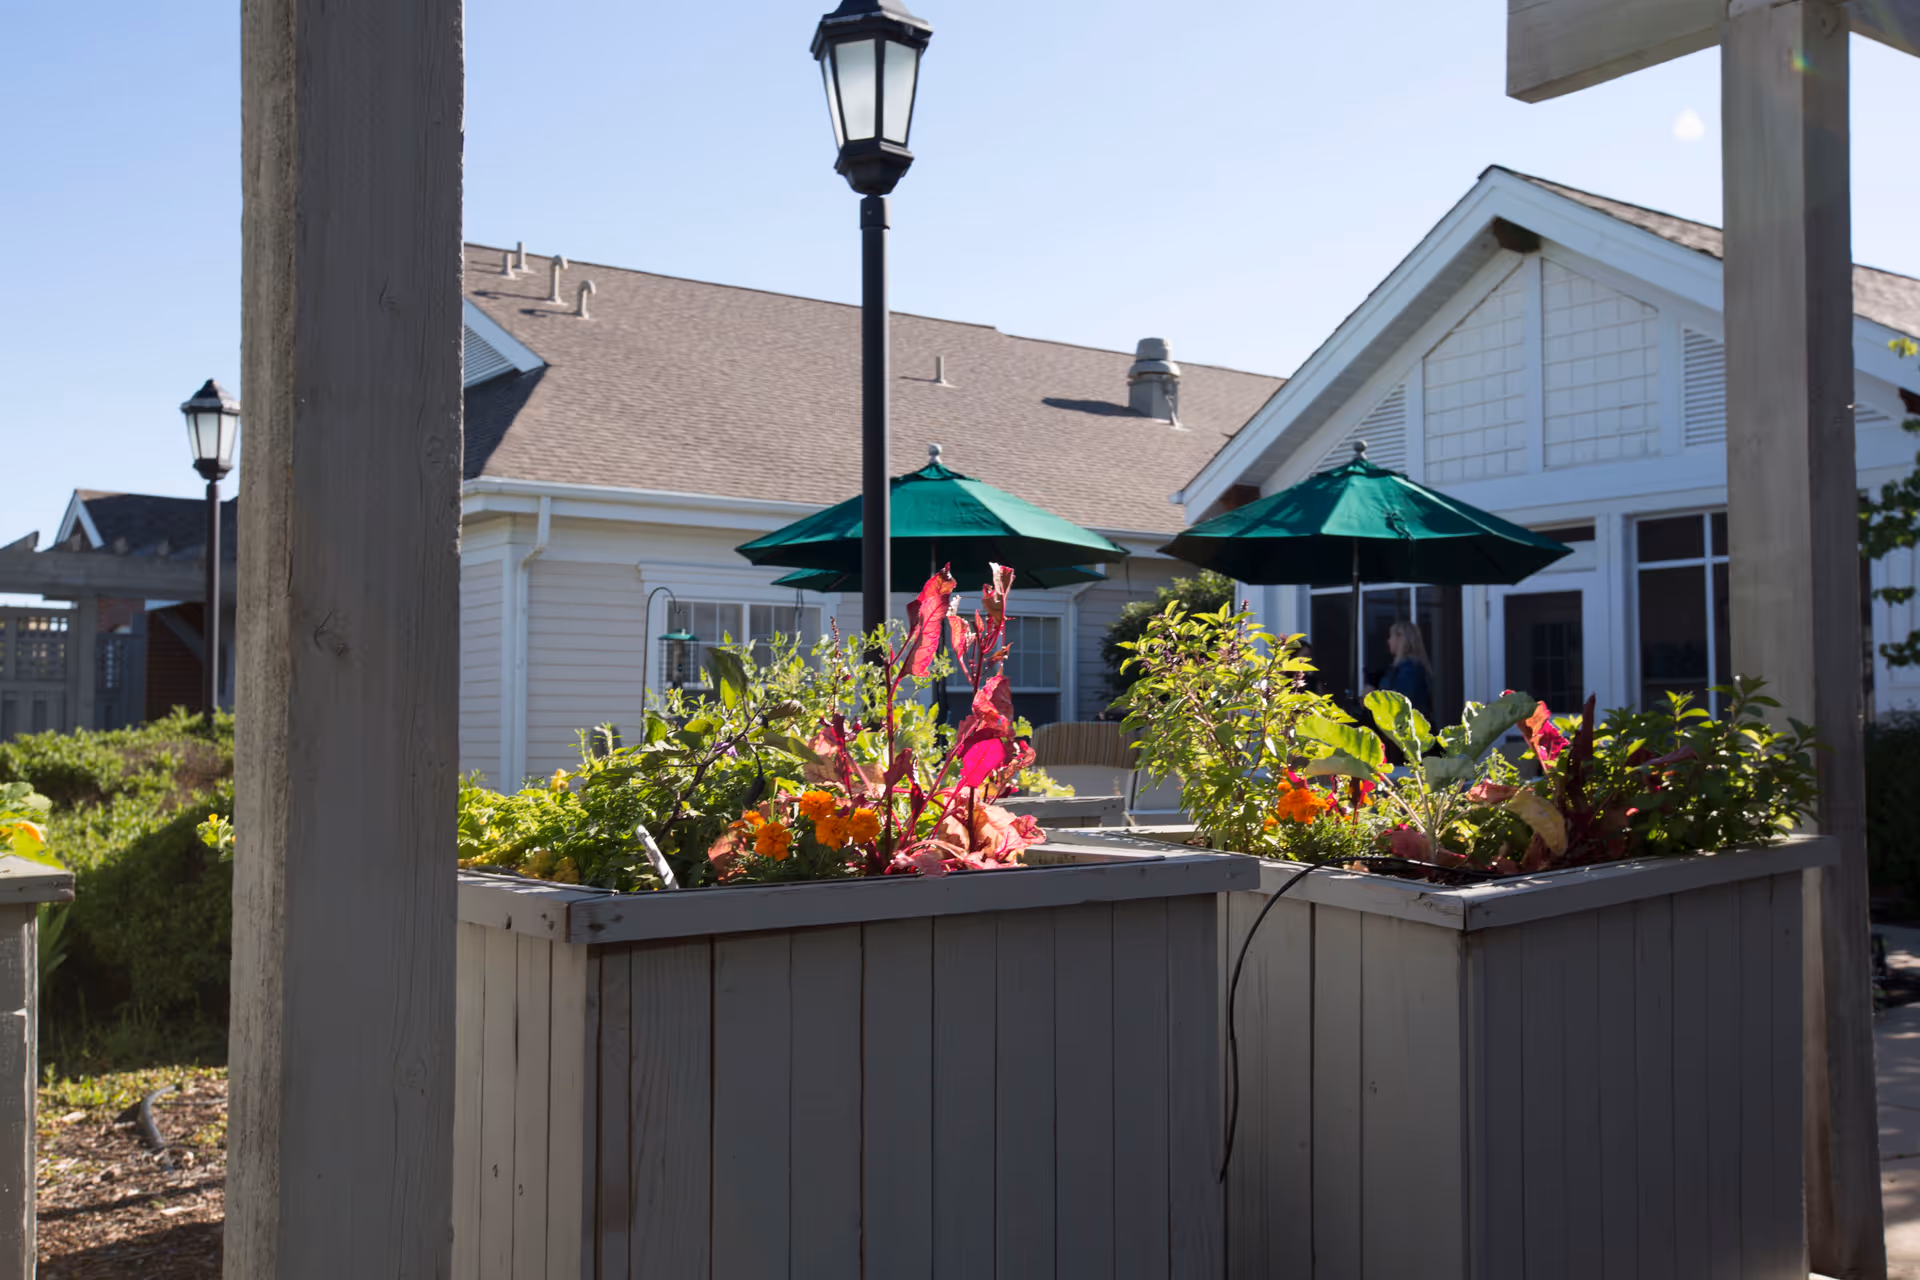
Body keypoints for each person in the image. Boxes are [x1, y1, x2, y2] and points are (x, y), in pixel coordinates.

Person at [1375, 619, 1434, 722]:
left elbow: (1399, 700)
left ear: (1400, 639)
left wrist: (1374, 697)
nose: (1388, 641)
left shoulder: (1410, 670)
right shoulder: (1406, 668)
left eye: (1391, 637)